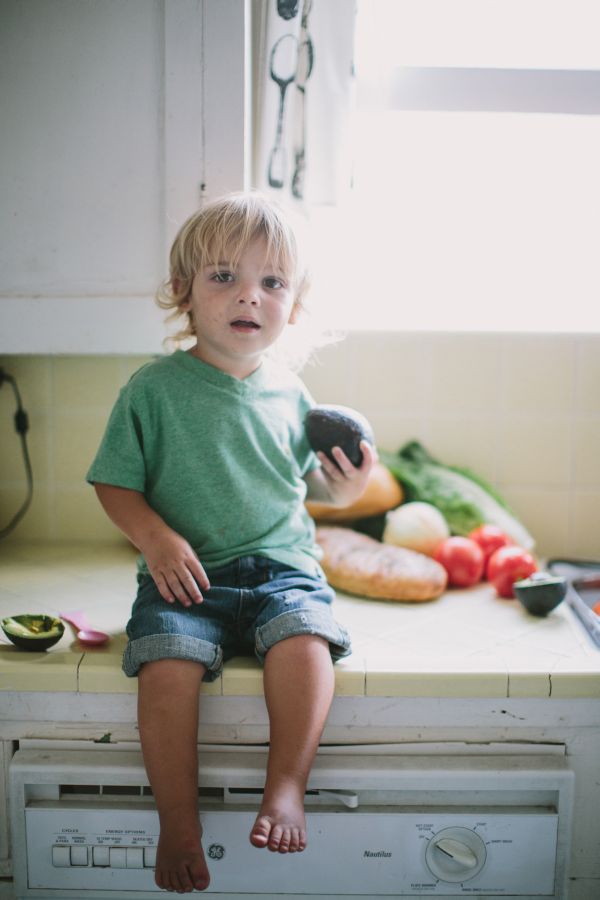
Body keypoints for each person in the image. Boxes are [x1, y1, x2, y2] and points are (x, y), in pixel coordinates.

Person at [86, 192, 376, 894]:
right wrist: (155, 539)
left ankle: (286, 787)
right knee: (164, 664)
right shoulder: (152, 390)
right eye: (224, 276)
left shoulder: (293, 395)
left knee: (307, 640)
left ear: (293, 305)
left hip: (281, 570)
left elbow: (308, 487)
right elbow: (113, 483)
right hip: (187, 576)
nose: (250, 295)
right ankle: (178, 822)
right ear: (182, 291)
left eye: (272, 282)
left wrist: (350, 489)